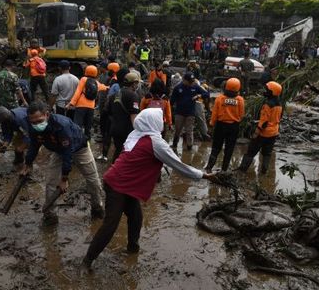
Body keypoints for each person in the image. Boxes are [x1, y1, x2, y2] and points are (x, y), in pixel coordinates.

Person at [82, 109, 218, 269]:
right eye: (160, 121)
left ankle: (133, 250)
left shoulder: (137, 134)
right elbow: (179, 166)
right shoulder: (155, 141)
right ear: (154, 123)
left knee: (136, 217)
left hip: (124, 183)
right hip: (117, 185)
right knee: (111, 223)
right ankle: (87, 260)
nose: (163, 124)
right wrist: (204, 175)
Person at [21, 101, 105, 226]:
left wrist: (65, 179)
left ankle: (97, 208)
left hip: (79, 148)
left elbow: (68, 153)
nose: (37, 124)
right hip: (58, 150)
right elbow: (34, 145)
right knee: (51, 182)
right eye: (34, 122)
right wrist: (27, 164)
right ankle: (50, 215)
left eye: (39, 121)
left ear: (47, 115)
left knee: (93, 180)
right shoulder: (31, 125)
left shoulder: (61, 125)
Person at [238, 81, 283, 174]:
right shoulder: (279, 104)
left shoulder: (267, 105)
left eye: (267, 90)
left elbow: (264, 122)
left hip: (264, 133)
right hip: (274, 132)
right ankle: (264, 172)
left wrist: (256, 133)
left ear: (272, 92)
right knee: (267, 153)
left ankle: (242, 170)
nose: (265, 91)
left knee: (250, 152)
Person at [205, 78, 244, 172]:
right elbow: (241, 115)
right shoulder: (240, 100)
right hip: (234, 127)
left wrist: (211, 124)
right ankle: (224, 170)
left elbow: (214, 114)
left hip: (220, 126)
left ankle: (209, 168)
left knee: (216, 147)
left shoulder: (220, 98)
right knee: (229, 149)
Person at [103, 72, 141, 161]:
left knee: (118, 150)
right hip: (126, 130)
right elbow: (134, 117)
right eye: (137, 83)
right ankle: (116, 171)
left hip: (114, 128)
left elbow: (107, 111)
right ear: (134, 83)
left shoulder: (114, 95)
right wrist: (138, 132)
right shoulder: (133, 95)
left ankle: (114, 169)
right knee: (125, 153)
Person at [66, 65, 108, 141]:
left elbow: (78, 92)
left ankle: (76, 139)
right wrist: (108, 87)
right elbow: (103, 87)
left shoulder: (83, 79)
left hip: (81, 105)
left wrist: (71, 103)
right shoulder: (96, 82)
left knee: (77, 124)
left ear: (86, 71)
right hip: (91, 106)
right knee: (88, 125)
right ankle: (87, 140)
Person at [170, 72, 209, 150]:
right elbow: (171, 101)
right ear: (184, 80)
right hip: (179, 113)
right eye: (190, 82)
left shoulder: (195, 86)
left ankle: (189, 147)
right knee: (178, 130)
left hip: (190, 113)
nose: (192, 83)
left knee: (189, 131)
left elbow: (206, 94)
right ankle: (174, 145)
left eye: (192, 81)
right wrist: (170, 112)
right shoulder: (178, 88)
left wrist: (199, 95)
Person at [0, 59, 27, 137]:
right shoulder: (13, 76)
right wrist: (24, 101)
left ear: (4, 66)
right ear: (12, 66)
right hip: (11, 100)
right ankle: (18, 132)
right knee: (16, 115)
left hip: (0, 99)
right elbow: (18, 90)